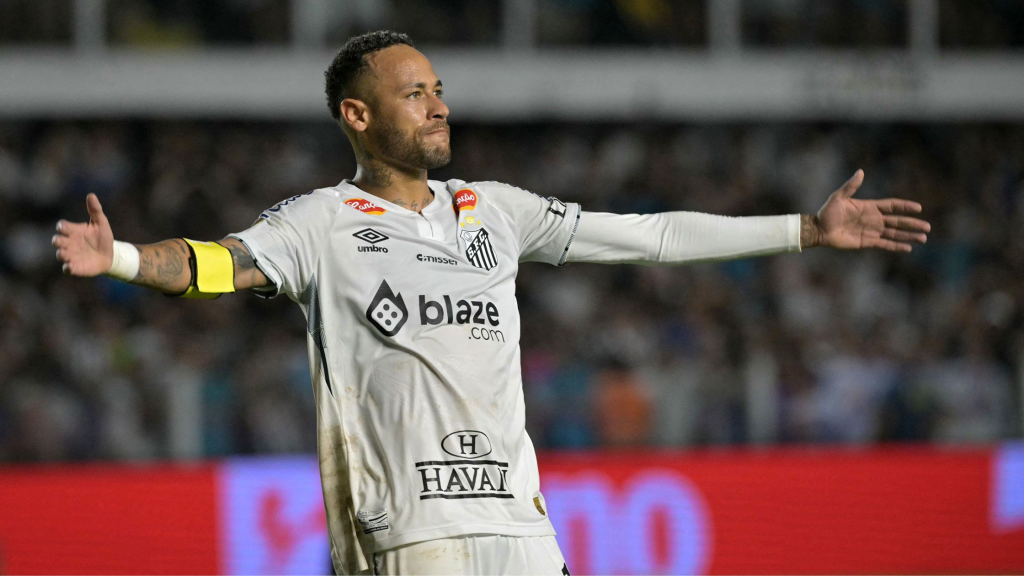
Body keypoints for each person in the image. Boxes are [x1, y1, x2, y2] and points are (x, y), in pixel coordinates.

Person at [52, 30, 930, 575]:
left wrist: (805, 233)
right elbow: (217, 264)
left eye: (438, 88)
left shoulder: (495, 209)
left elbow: (649, 236)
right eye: (414, 92)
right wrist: (124, 257)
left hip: (520, 524)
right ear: (356, 115)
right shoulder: (318, 223)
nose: (438, 105)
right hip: (409, 535)